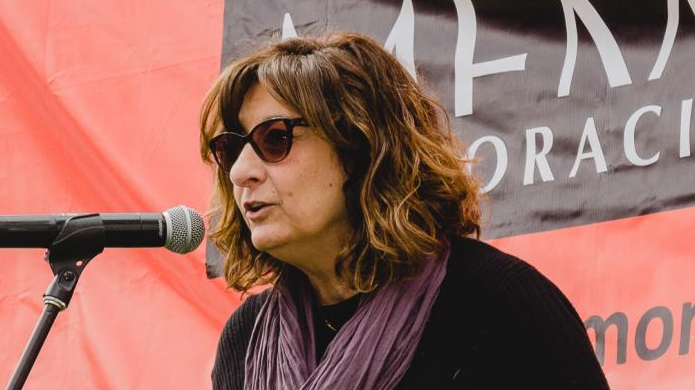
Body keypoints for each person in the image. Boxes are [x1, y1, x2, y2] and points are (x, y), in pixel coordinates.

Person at [200, 32, 609, 389]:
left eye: (274, 139)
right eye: (230, 150)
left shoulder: (498, 305)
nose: (241, 172)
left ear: (358, 149)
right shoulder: (247, 338)